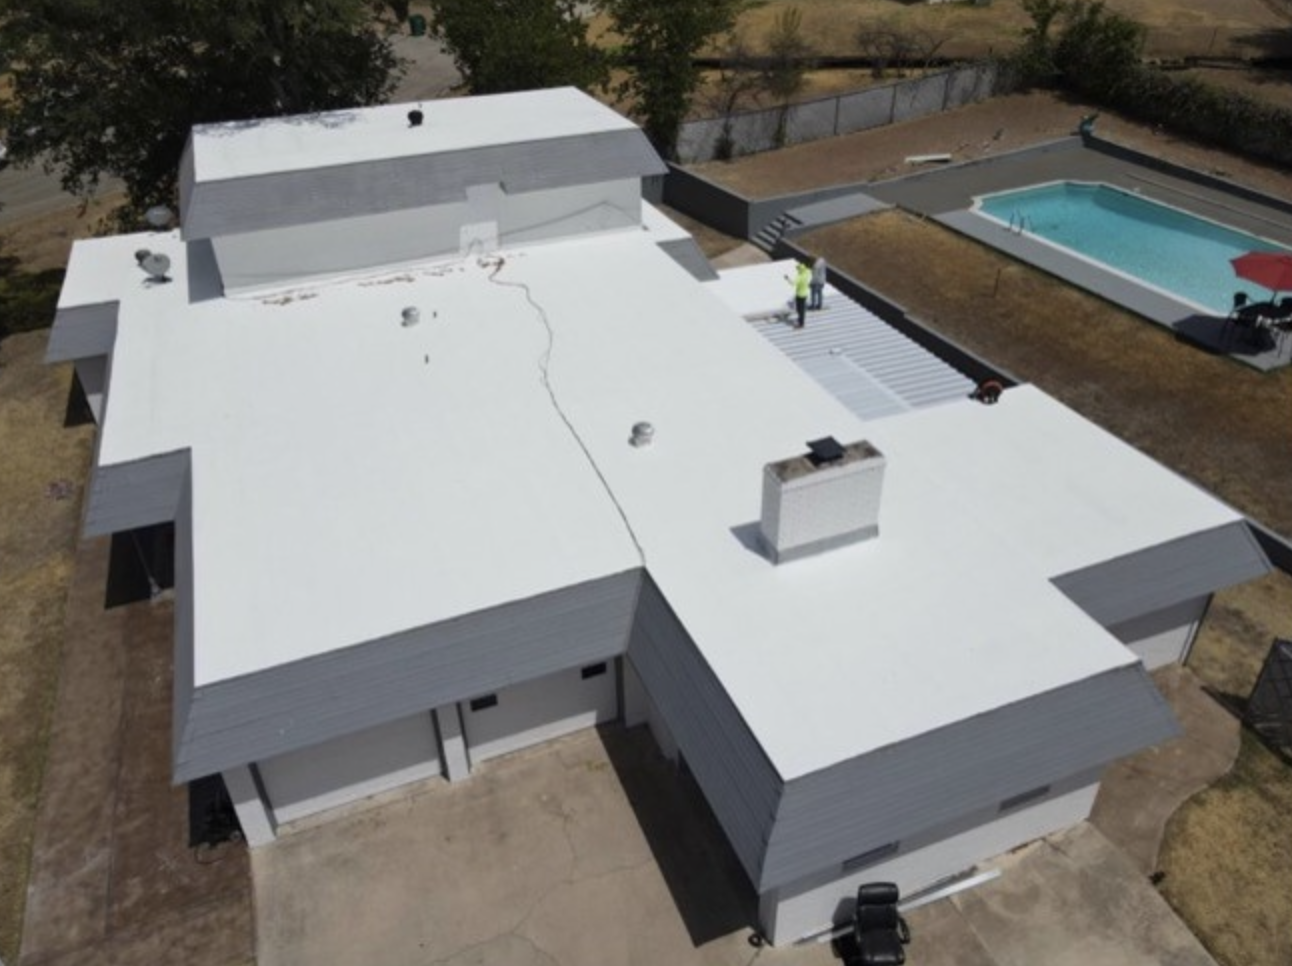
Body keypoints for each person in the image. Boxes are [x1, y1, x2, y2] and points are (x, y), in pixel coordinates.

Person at [786, 261, 811, 329]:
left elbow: (793, 283)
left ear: (800, 269)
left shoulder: (800, 277)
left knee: (800, 309)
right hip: (805, 294)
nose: (797, 270)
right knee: (801, 309)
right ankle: (800, 320)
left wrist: (787, 279)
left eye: (798, 269)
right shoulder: (807, 272)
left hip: (800, 295)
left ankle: (801, 324)